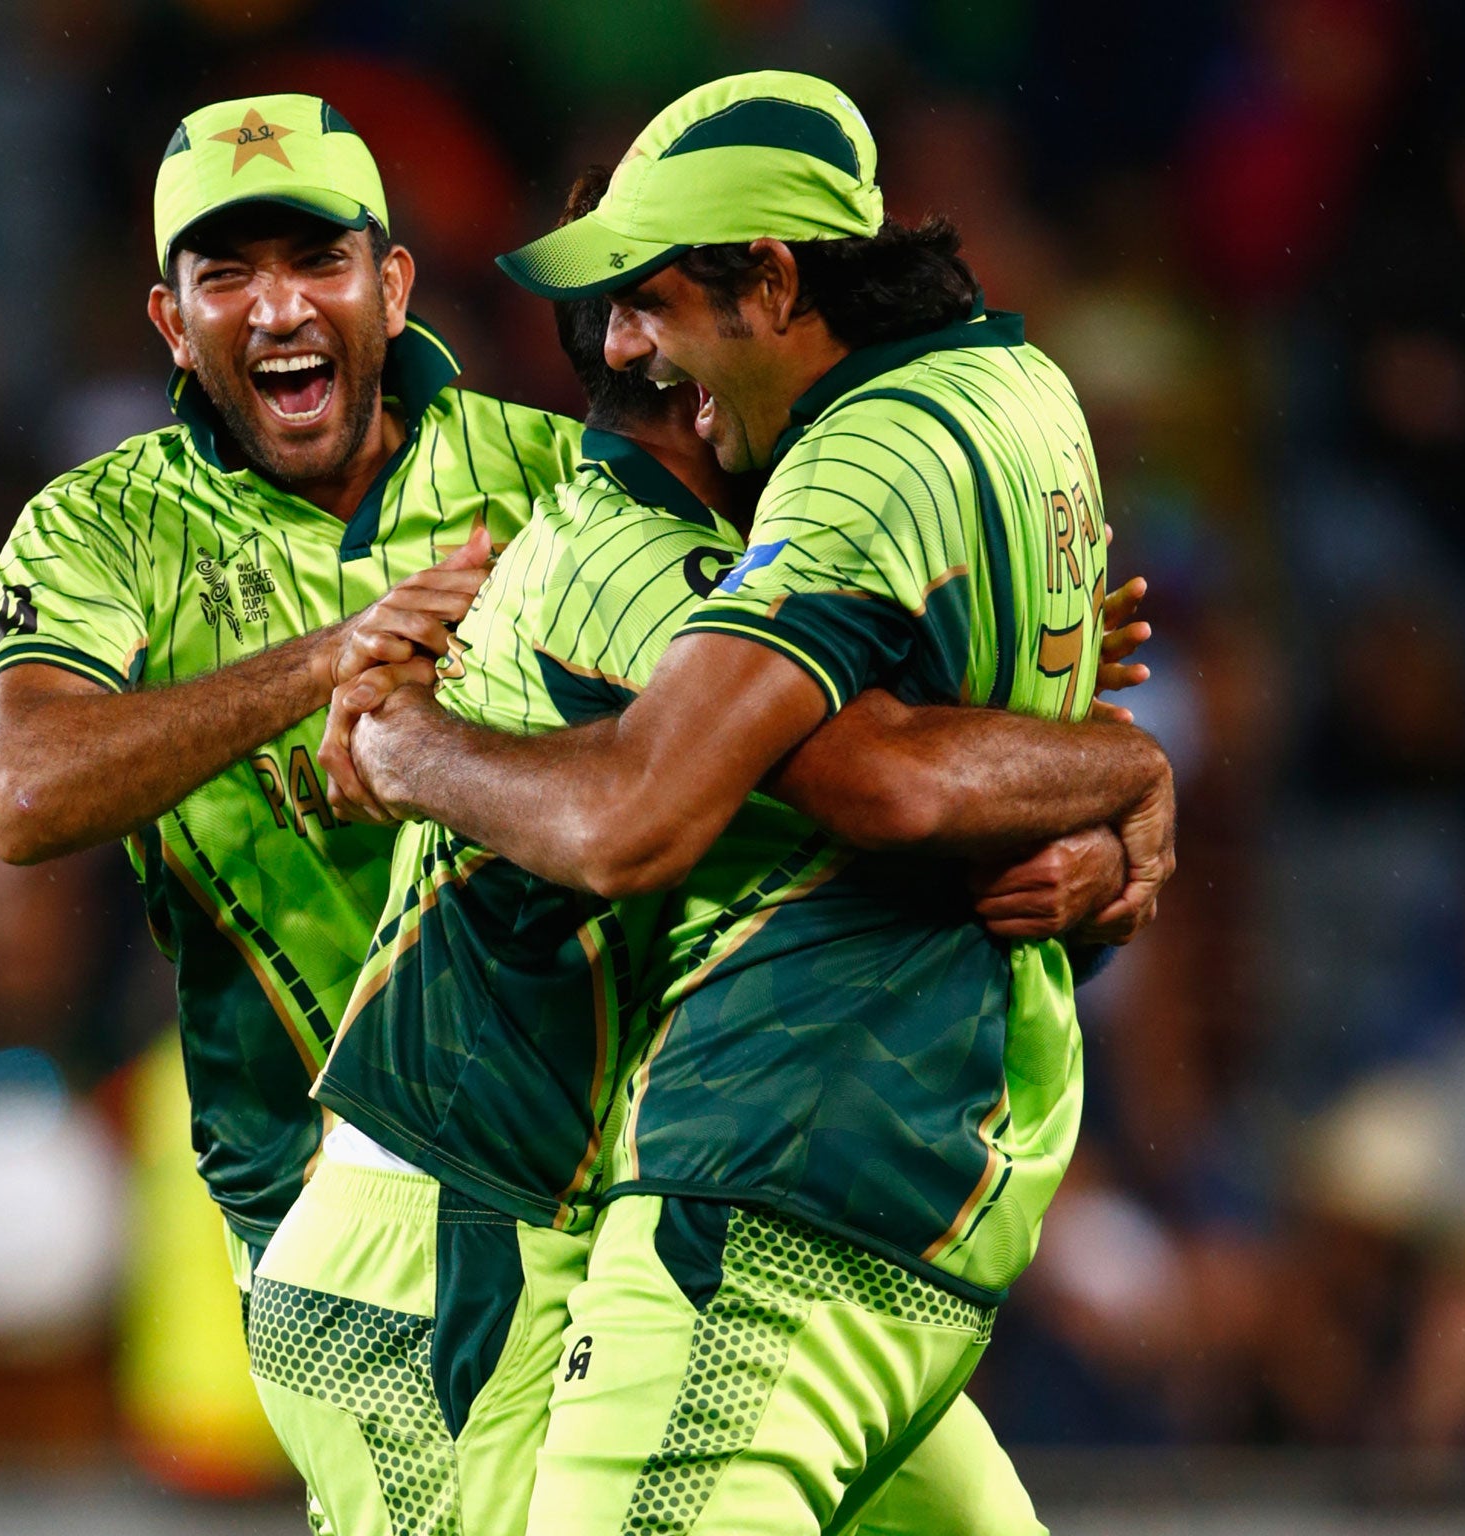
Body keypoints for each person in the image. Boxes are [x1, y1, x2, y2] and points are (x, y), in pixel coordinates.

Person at [320, 72, 1173, 1535]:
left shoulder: (832, 494)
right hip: (457, 1223)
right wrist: (1111, 763)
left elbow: (892, 776)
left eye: (656, 305)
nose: (641, 342)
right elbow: (848, 784)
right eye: (627, 321)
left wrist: (1090, 774)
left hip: (707, 1186)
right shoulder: (649, 561)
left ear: (775, 287)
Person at [0, 93, 582, 1331]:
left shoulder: (553, 478)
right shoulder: (100, 529)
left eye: (319, 261)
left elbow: (751, 709)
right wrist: (327, 661)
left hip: (579, 1173)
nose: (282, 307)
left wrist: (1081, 819)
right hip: (311, 1217)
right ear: (173, 325)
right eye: (228, 274)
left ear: (393, 286)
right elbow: (22, 794)